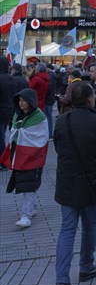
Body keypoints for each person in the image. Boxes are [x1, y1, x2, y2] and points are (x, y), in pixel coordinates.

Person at [53, 81, 96, 285]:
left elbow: (58, 149)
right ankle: (86, 266)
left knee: (67, 230)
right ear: (91, 99)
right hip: (92, 183)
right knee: (90, 225)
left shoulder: (61, 121)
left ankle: (62, 280)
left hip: (67, 183)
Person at [0, 88, 48, 228]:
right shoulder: (17, 115)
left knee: (29, 185)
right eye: (20, 101)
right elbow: (14, 130)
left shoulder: (39, 117)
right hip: (20, 155)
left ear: (31, 102)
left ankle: (26, 216)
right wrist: (19, 131)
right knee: (25, 183)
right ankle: (31, 209)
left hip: (34, 156)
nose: (21, 104)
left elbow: (41, 136)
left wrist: (20, 132)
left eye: (24, 101)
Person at [0, 56, 14, 169]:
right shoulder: (11, 78)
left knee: (1, 137)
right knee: (3, 135)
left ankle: (2, 161)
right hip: (9, 110)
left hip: (1, 110)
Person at [45, 63, 57, 139]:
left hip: (48, 99)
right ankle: (49, 134)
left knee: (48, 117)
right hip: (51, 98)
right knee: (49, 116)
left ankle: (49, 135)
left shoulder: (50, 76)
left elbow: (48, 88)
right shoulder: (53, 75)